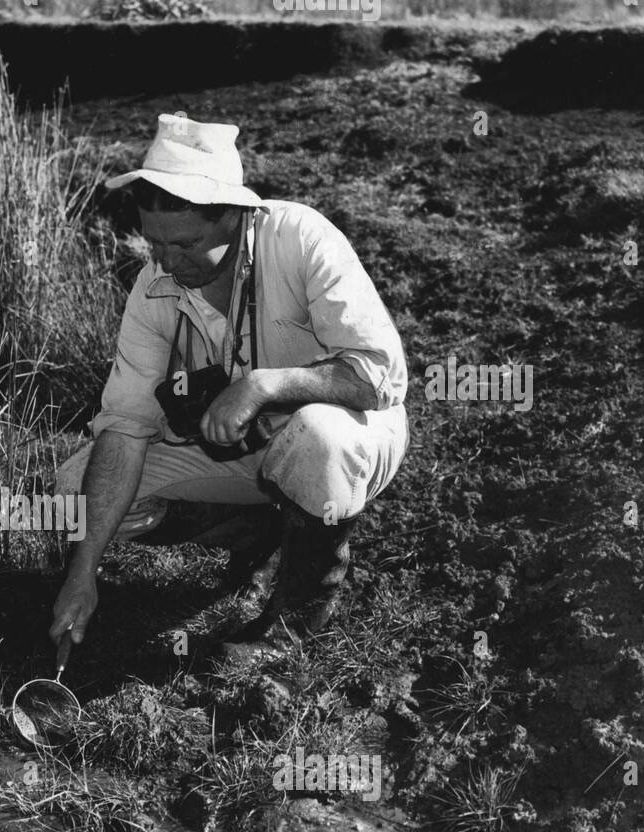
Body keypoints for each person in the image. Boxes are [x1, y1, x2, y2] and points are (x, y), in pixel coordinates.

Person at [49, 112, 409, 661]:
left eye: (187, 245)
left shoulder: (301, 240)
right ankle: (260, 531)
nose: (168, 263)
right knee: (75, 490)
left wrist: (267, 385)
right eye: (155, 245)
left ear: (235, 216)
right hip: (243, 453)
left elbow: (381, 376)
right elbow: (124, 427)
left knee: (316, 435)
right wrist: (83, 573)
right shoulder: (155, 287)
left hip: (348, 436)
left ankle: (292, 630)